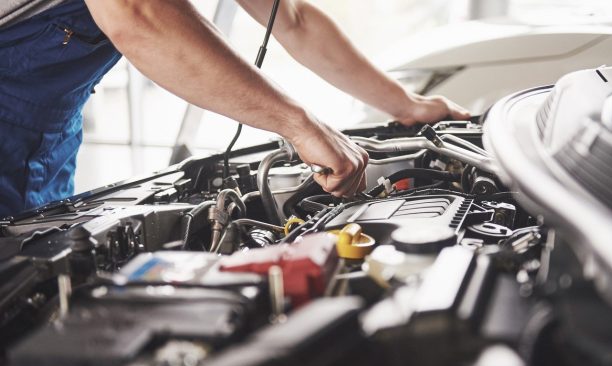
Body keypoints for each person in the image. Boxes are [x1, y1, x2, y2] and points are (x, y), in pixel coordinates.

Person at [0, 0, 469, 217]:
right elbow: (137, 13)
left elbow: (293, 19)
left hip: (44, 133)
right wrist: (298, 124)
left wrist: (407, 105)